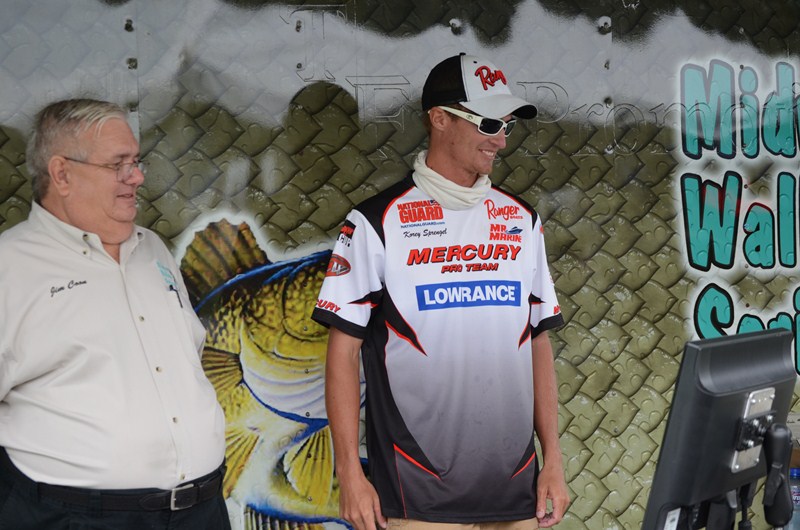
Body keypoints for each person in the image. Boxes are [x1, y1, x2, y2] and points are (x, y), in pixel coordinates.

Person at [312, 54, 570, 530]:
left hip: (517, 495)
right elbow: (342, 353)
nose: (501, 140)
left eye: (507, 125)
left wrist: (552, 459)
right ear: (439, 118)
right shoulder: (374, 221)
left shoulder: (521, 219)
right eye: (488, 123)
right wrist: (349, 472)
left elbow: (537, 340)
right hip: (417, 499)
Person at [0, 98, 229, 529]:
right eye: (118, 165)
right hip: (77, 517)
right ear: (62, 174)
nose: (136, 177)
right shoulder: (9, 267)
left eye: (136, 162)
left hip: (201, 511)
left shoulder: (152, 249)